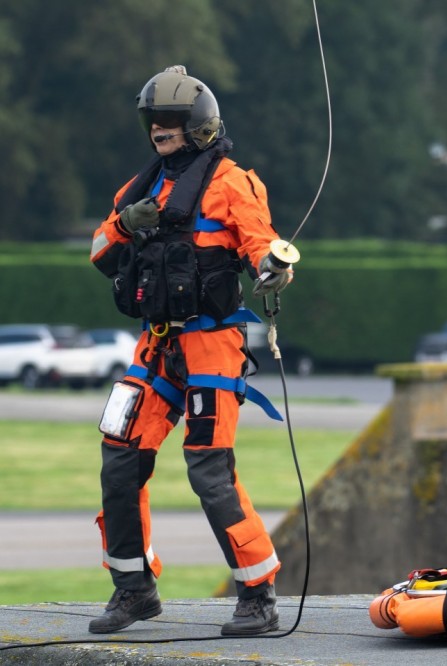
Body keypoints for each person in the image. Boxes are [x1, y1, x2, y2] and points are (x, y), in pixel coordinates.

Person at [88, 65, 292, 635]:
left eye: (171, 121)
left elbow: (260, 247)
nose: (159, 129)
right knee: (120, 458)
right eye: (153, 119)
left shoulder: (233, 182)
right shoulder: (139, 189)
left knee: (208, 470)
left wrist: (273, 270)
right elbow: (100, 251)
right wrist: (126, 224)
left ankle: (258, 593)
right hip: (156, 344)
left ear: (198, 124)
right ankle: (134, 591)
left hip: (211, 344)